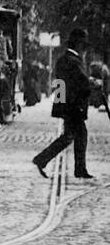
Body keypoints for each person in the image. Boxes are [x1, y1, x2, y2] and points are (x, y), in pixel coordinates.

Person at [34, 29, 93, 179]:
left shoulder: (63, 59)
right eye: (83, 46)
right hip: (74, 106)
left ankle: (43, 160)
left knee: (72, 135)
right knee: (74, 135)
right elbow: (82, 82)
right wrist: (92, 84)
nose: (84, 50)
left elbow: (60, 84)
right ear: (79, 45)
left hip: (67, 105)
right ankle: (44, 160)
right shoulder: (74, 61)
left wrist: (60, 106)